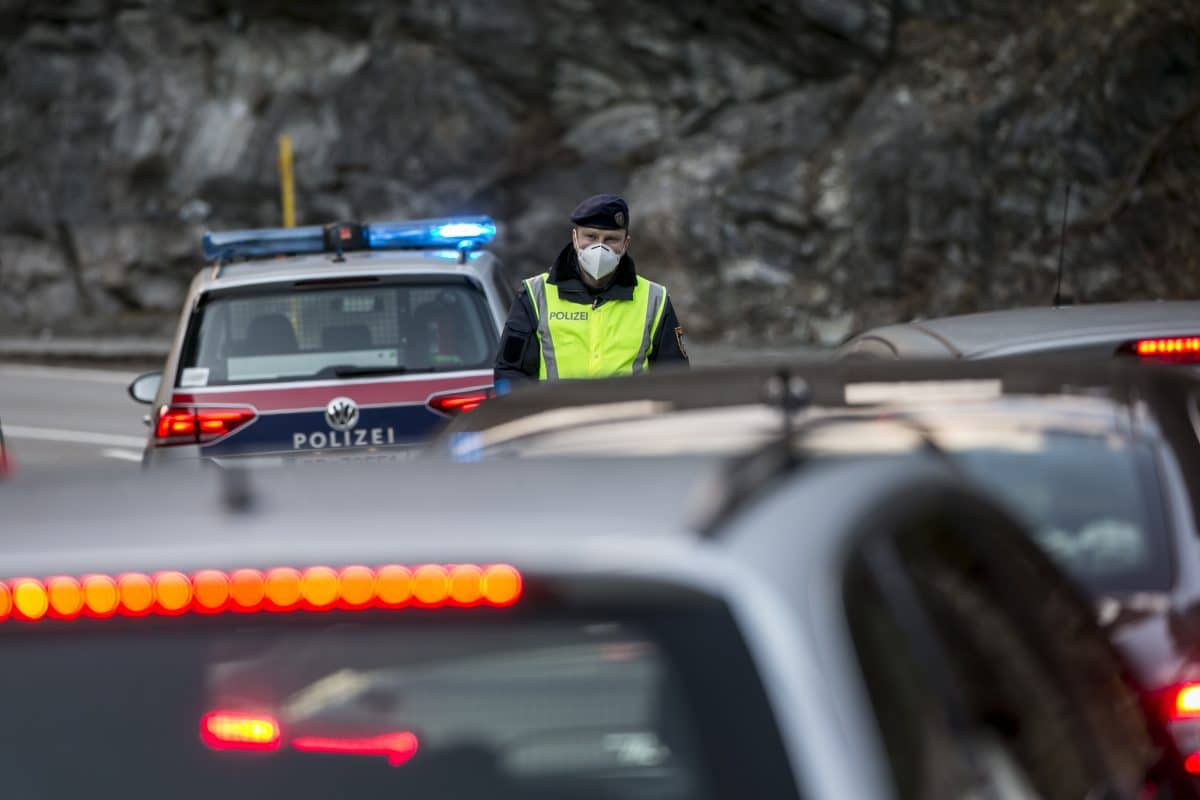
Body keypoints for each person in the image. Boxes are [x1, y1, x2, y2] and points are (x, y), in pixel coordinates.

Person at [493, 194, 689, 384]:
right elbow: (511, 373)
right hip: (559, 416)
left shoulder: (655, 299)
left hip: (629, 416)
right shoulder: (536, 295)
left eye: (611, 239)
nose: (599, 247)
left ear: (625, 244)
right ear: (575, 238)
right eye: (591, 236)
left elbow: (675, 379)